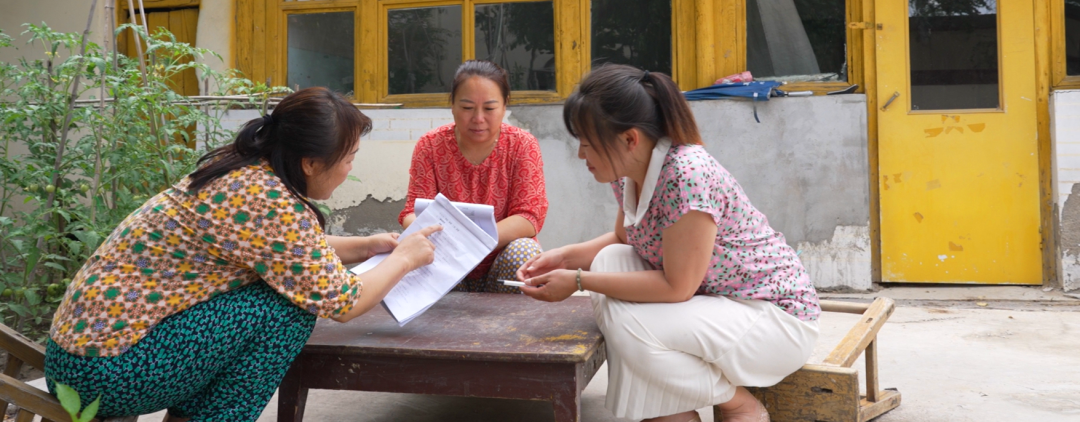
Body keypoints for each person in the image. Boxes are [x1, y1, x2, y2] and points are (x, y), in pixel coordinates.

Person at [44, 88, 441, 422]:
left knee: (276, 296)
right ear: (310, 163)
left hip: (76, 358)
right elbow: (344, 302)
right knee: (286, 311)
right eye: (349, 157)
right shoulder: (269, 202)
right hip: (106, 373)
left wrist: (368, 246)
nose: (350, 167)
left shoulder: (244, 171)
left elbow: (287, 253)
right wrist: (404, 259)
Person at [517, 65, 820, 422]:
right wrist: (564, 258)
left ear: (630, 139)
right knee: (611, 260)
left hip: (772, 319)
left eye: (586, 143)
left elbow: (678, 287)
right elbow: (623, 239)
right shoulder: (629, 170)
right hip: (714, 304)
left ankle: (737, 403)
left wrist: (579, 281)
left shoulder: (686, 174)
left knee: (628, 325)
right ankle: (672, 412)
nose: (581, 155)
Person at [400, 60, 547, 293]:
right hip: (447, 257)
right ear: (452, 105)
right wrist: (448, 244)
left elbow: (528, 217)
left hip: (501, 256)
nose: (478, 118)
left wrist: (471, 242)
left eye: (489, 109)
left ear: (505, 105)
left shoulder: (522, 145)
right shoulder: (430, 145)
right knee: (410, 251)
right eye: (467, 108)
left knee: (525, 251)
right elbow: (412, 213)